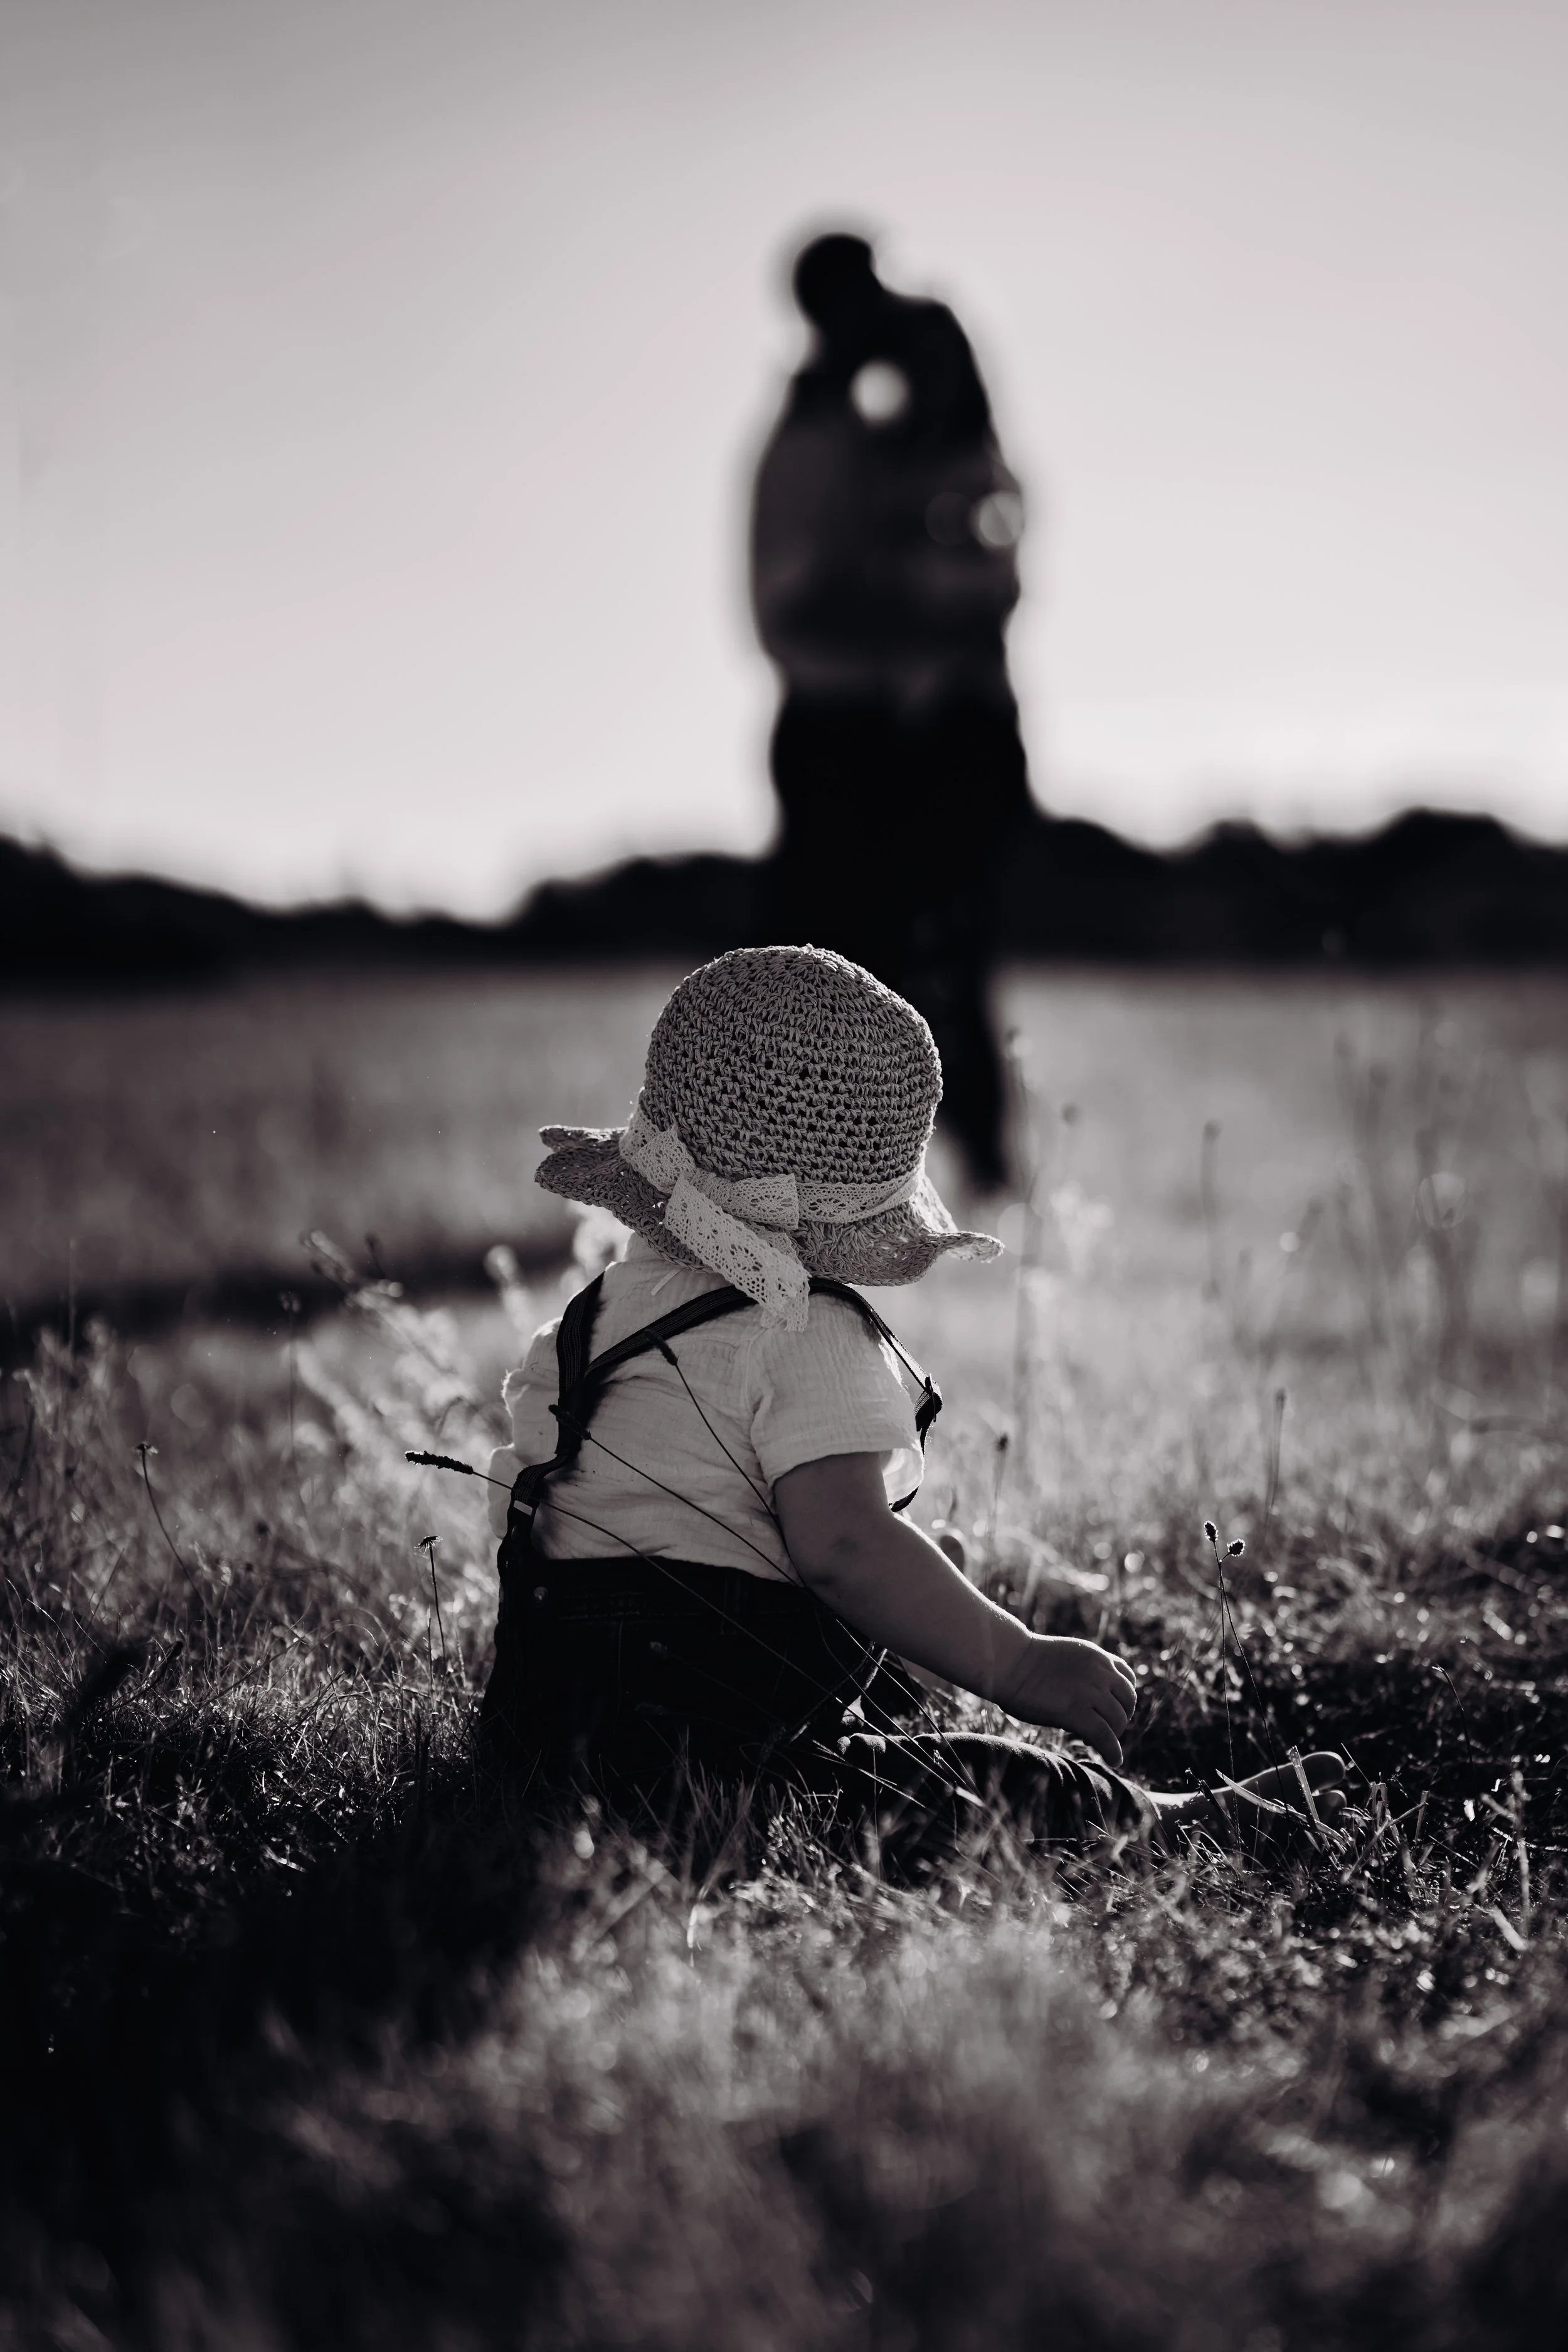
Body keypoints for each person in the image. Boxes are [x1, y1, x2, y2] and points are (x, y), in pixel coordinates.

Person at [479, 946, 1347, 1877]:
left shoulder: (586, 1320)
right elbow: (843, 1548)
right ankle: (1158, 1821)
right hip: (721, 1771)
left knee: (875, 1639)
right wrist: (1014, 1663)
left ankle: (916, 1642)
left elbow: (550, 1516)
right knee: (951, 1789)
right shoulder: (800, 1331)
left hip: (539, 1747)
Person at [751, 233, 1034, 1194]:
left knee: (948, 953)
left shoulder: (935, 402)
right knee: (840, 964)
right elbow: (794, 603)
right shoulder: (817, 435)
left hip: (940, 734)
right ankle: (840, 1176)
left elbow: (990, 579)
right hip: (852, 733)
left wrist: (910, 587)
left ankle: (968, 1165)